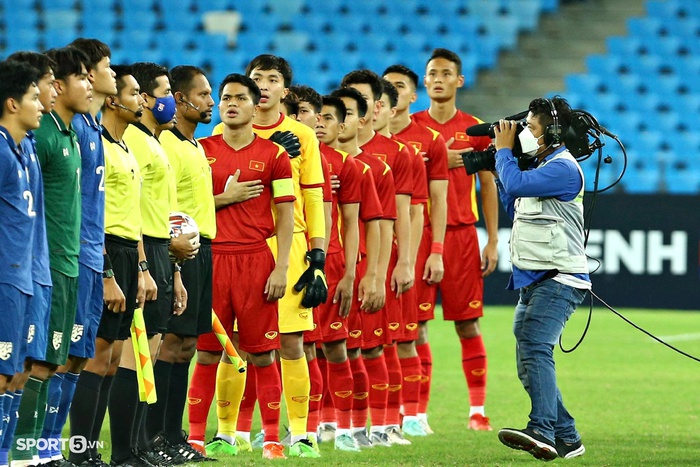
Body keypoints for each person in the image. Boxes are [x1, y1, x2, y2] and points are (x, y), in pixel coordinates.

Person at [204, 54, 327, 459]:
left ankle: (300, 434)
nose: (265, 86)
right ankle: (228, 432)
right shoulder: (225, 130)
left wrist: (318, 253)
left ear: (283, 91)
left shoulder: (302, 135)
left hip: (287, 250)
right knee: (232, 343)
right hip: (235, 247)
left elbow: (313, 193)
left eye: (273, 79)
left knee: (290, 343)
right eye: (258, 78)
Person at [200, 72, 296, 460]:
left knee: (262, 353)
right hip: (211, 260)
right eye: (225, 98)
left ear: (255, 105)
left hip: (257, 259)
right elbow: (183, 207)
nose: (231, 103)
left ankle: (271, 438)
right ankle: (195, 436)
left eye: (240, 97)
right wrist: (222, 198)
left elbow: (287, 215)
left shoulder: (274, 154)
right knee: (207, 353)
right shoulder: (200, 149)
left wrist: (282, 267)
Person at [34, 38, 117, 466]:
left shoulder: (84, 128)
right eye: (92, 72)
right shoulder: (63, 131)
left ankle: (51, 451)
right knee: (54, 358)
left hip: (83, 255)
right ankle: (39, 450)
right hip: (60, 259)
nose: (109, 76)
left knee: (76, 357)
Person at [493, 97, 589, 461]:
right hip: (536, 279)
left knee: (535, 347)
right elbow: (513, 204)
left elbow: (517, 186)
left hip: (559, 277)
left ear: (552, 131)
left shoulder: (563, 168)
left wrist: (504, 154)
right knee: (528, 357)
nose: (524, 134)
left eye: (530, 127)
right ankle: (567, 437)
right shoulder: (543, 167)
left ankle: (542, 430)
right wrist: (499, 167)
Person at [10, 47, 93, 467]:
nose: (91, 84)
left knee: (50, 361)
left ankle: (36, 451)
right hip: (37, 267)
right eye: (82, 76)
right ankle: (23, 454)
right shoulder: (39, 138)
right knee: (31, 363)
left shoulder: (67, 135)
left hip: (63, 263)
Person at [412, 48, 498, 431]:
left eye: (447, 73)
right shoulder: (409, 129)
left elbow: (488, 187)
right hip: (417, 234)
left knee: (468, 324)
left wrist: (493, 240)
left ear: (459, 81)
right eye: (433, 73)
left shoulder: (477, 130)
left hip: (462, 235)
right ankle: (416, 414)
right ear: (425, 81)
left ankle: (477, 411)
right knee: (414, 327)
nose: (440, 78)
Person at [113, 61, 193, 466]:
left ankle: (143, 444)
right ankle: (125, 449)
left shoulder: (154, 141)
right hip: (142, 250)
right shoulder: (133, 141)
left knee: (154, 350)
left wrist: (174, 270)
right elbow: (133, 209)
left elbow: (161, 207)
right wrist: (144, 264)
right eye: (162, 92)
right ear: (143, 98)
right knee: (133, 354)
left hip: (163, 252)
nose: (169, 101)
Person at [66, 64, 146, 466]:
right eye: (133, 93)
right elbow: (90, 211)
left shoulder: (123, 147)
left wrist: (142, 267)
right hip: (105, 251)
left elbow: (132, 214)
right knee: (96, 354)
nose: (142, 101)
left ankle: (98, 454)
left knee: (114, 357)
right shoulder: (95, 142)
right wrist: (107, 271)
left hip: (128, 251)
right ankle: (81, 453)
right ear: (113, 99)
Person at [341, 69, 413, 446]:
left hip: (374, 262)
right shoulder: (325, 154)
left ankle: (384, 424)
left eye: (359, 99)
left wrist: (394, 266)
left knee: (374, 344)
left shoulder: (392, 157)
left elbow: (396, 216)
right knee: (330, 346)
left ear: (373, 108)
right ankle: (332, 425)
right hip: (334, 264)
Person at [149, 65, 216, 462]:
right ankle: (156, 436)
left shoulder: (196, 145)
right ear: (179, 98)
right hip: (179, 254)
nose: (211, 102)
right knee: (170, 343)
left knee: (188, 345)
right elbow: (165, 206)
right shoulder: (168, 145)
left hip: (204, 250)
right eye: (204, 94)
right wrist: (173, 262)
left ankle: (175, 438)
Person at [383, 64, 449, 437]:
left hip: (414, 244)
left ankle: (415, 412)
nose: (391, 95)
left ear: (411, 95)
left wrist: (435, 250)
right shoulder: (357, 143)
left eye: (399, 87)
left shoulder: (428, 141)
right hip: (372, 248)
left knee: (413, 330)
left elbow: (437, 201)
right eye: (386, 88)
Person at [331, 86, 396, 447]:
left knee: (359, 348)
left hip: (356, 270)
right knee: (313, 348)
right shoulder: (313, 163)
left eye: (349, 114)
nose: (338, 122)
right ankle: (319, 423)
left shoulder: (376, 169)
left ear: (362, 118)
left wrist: (374, 276)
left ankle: (367, 427)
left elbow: (382, 226)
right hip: (321, 267)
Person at [1, 51, 55, 467]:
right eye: (35, 97)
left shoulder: (22, 150)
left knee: (17, 372)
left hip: (26, 279)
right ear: (12, 103)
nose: (42, 104)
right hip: (5, 279)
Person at [313, 95, 363, 452]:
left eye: (328, 118)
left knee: (335, 346)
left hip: (331, 262)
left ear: (340, 125)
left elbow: (352, 222)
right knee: (301, 348)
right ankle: (309, 426)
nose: (319, 123)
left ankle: (343, 428)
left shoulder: (346, 165)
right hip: (299, 261)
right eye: (314, 116)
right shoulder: (293, 160)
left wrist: (349, 273)